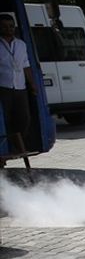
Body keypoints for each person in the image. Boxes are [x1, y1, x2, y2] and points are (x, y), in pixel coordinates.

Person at [0, 14, 35, 155]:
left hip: (20, 87)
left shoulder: (21, 44)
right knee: (5, 119)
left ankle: (18, 145)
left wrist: (33, 85)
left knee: (24, 118)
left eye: (11, 26)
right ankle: (7, 148)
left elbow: (26, 65)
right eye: (5, 26)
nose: (9, 29)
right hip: (3, 87)